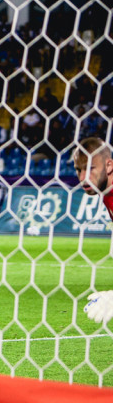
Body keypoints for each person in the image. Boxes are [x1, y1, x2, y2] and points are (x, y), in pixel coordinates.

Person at [73, 138, 113, 323]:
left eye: (90, 168)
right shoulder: (107, 194)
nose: (83, 178)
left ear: (109, 165)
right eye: (78, 170)